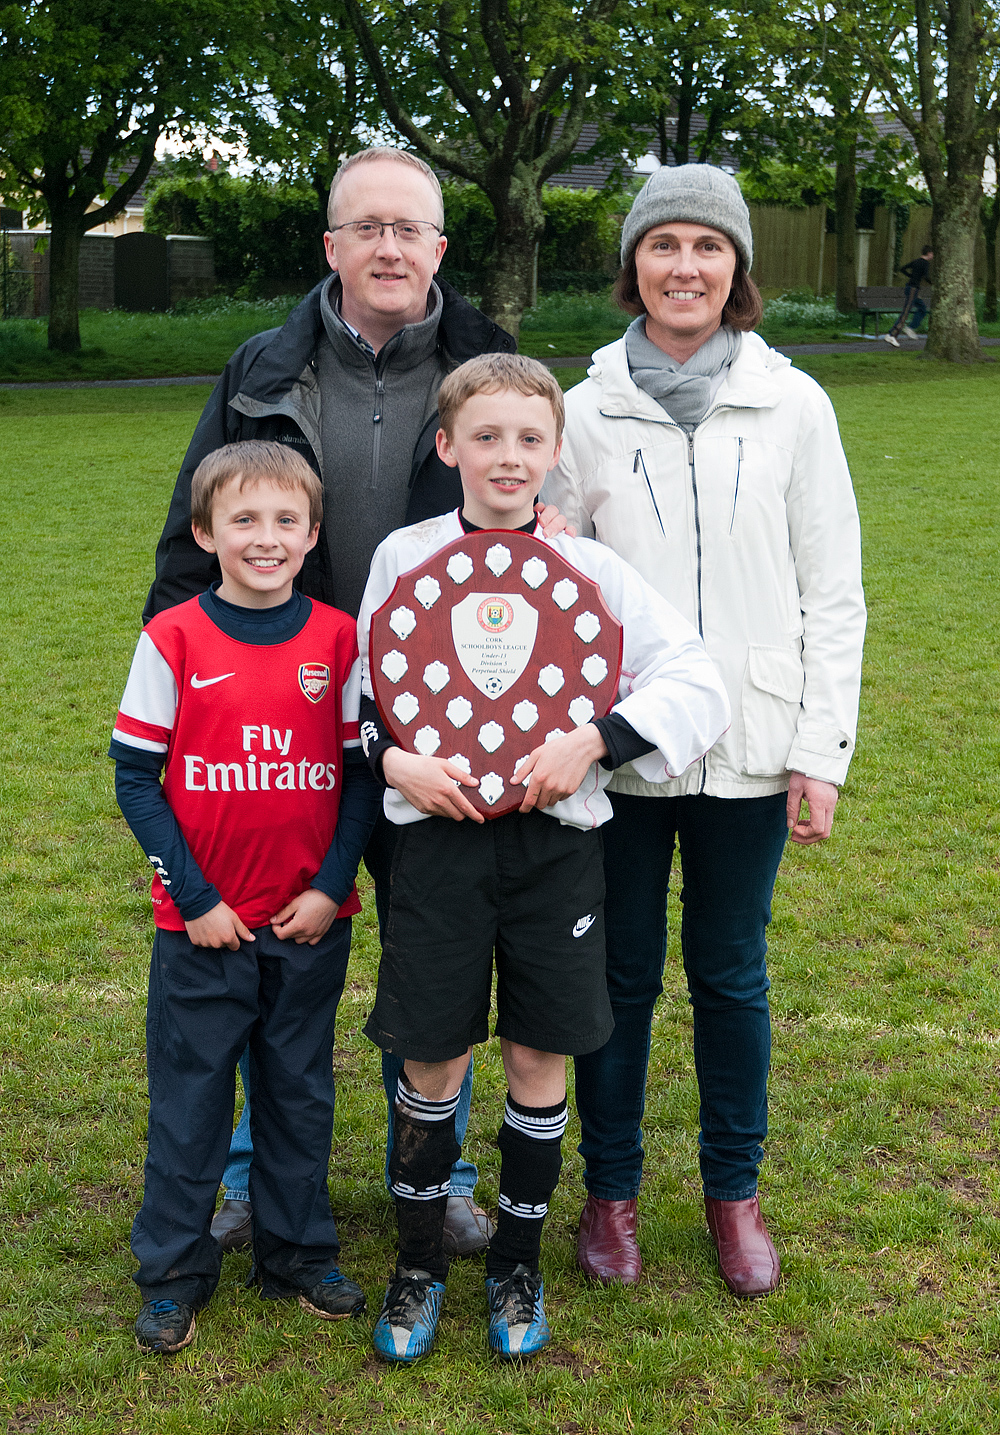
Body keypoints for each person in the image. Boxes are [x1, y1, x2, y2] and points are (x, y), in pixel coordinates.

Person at [143, 146, 560, 1260]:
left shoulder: (491, 363)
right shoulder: (258, 367)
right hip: (284, 730)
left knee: (434, 961)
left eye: (408, 228)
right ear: (330, 247)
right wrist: (183, 697)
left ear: (438, 247)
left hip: (440, 737)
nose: (388, 246)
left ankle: (438, 1176)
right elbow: (193, 549)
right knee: (253, 953)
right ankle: (242, 1179)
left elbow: (547, 543)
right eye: (365, 226)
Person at [354, 353, 730, 1363]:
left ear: (556, 452)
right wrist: (393, 756)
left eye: (528, 438)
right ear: (447, 448)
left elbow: (696, 680)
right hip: (435, 842)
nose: (507, 456)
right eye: (485, 436)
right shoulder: (403, 558)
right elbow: (358, 696)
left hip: (553, 849)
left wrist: (596, 738)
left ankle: (516, 1261)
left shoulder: (593, 571)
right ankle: (419, 1262)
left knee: (535, 1054)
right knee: (432, 1054)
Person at [543, 164, 867, 1296]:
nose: (685, 266)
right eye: (663, 244)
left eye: (707, 247)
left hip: (749, 747)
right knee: (618, 979)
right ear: (631, 264)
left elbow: (834, 589)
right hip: (619, 752)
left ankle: (734, 1198)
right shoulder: (576, 410)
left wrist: (819, 750)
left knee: (730, 976)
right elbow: (549, 583)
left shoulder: (793, 402)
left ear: (737, 269)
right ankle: (611, 1197)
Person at [111, 441, 382, 1352]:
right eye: (243, 520)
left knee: (299, 1093)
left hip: (306, 922)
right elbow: (136, 778)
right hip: (201, 925)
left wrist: (332, 885)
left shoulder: (339, 639)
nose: (264, 538)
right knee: (190, 1101)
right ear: (205, 531)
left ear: (312, 535)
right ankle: (175, 1271)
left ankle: (297, 1253)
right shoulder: (174, 637)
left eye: (284, 521)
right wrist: (192, 896)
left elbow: (358, 778)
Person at [884, 245, 933, 345]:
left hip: (910, 288)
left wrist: (911, 276)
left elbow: (902, 269)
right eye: (932, 254)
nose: (933, 256)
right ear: (928, 253)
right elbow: (926, 277)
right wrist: (933, 283)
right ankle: (891, 335)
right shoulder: (925, 263)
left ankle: (910, 328)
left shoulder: (915, 261)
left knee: (922, 308)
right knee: (906, 312)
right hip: (913, 290)